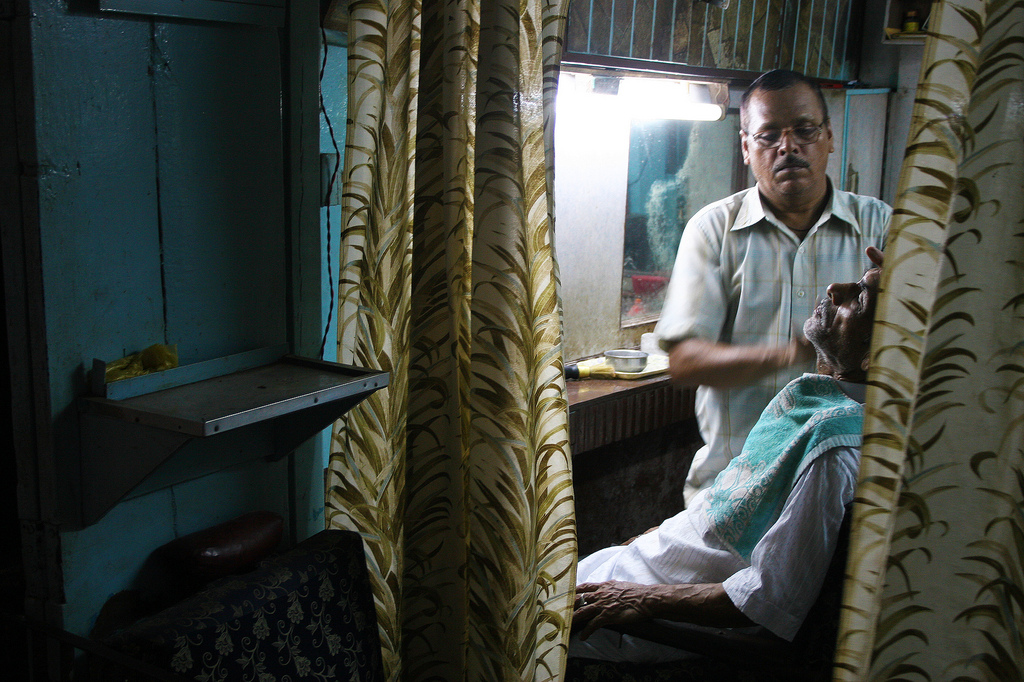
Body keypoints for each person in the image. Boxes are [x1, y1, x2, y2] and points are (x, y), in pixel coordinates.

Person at [570, 263, 882, 663]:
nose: (835, 289)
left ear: (876, 356)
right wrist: (659, 536)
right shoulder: (819, 397)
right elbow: (740, 500)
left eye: (861, 297)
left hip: (658, 618)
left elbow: (768, 596)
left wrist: (642, 597)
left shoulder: (834, 449)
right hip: (652, 565)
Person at [654, 69, 891, 503]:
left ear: (829, 137)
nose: (788, 146)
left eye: (804, 130)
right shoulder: (713, 230)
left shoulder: (881, 226)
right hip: (735, 489)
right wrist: (802, 351)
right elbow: (685, 361)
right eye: (768, 136)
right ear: (746, 147)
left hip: (847, 489)